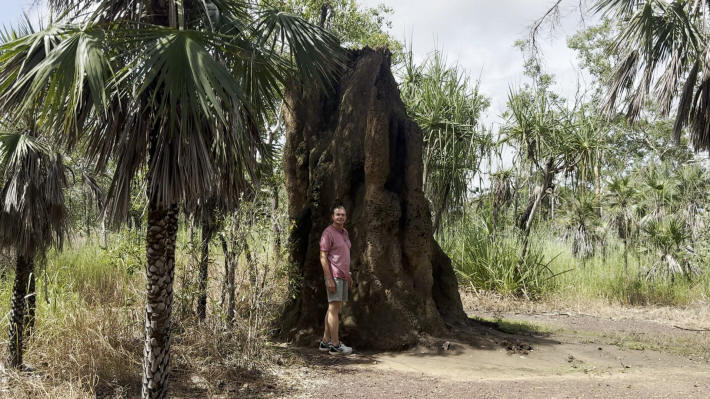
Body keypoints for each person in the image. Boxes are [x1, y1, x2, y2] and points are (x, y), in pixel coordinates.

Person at [318, 205, 353, 355]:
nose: (340, 217)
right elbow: (323, 257)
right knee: (334, 309)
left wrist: (349, 274)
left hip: (343, 275)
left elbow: (344, 255)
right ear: (332, 217)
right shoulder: (328, 233)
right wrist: (329, 279)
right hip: (334, 276)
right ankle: (335, 345)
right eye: (337, 214)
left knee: (333, 308)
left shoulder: (344, 232)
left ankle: (325, 342)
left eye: (343, 215)